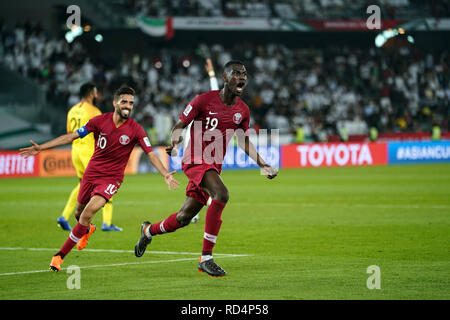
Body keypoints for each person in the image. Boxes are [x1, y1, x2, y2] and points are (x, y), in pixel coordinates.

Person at [134, 60, 278, 277]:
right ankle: (206, 258)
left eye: (244, 74)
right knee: (221, 194)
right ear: (225, 78)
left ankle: (148, 230)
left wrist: (263, 164)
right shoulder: (203, 100)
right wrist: (173, 144)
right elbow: (180, 124)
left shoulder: (242, 110)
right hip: (195, 160)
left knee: (183, 218)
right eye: (236, 73)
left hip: (213, 166)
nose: (241, 77)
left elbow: (244, 141)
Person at [19, 85, 179, 272]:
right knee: (79, 214)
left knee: (87, 213)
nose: (128, 105)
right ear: (115, 103)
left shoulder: (136, 129)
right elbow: (71, 136)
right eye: (124, 101)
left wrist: (164, 173)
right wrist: (42, 148)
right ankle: (86, 230)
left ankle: (59, 256)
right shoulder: (98, 121)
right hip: (91, 173)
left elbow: (151, 154)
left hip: (111, 179)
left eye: (131, 103)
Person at [57, 82, 121, 232]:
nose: (98, 95)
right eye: (96, 92)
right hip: (89, 152)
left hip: (75, 152)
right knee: (107, 184)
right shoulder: (94, 111)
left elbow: (69, 131)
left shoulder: (72, 110)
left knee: (81, 185)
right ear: (91, 94)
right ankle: (107, 223)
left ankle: (64, 217)